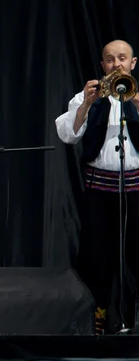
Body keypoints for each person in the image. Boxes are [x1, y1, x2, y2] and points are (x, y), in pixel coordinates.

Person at [55, 39, 139, 334]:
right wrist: (87, 105)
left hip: (136, 190)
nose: (116, 64)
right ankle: (99, 318)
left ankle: (133, 317)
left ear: (133, 64)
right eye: (110, 60)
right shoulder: (87, 96)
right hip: (99, 190)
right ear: (103, 66)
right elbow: (69, 134)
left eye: (122, 58)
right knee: (96, 259)